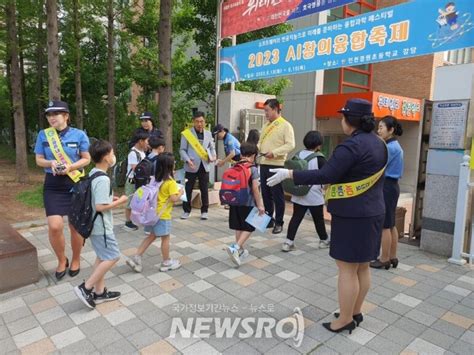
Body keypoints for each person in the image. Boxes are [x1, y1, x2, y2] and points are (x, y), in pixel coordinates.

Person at [267, 98, 387, 334]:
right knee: (362, 266)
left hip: (351, 214)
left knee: (346, 268)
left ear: (348, 120)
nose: (341, 120)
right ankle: (355, 311)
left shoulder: (350, 146)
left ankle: (344, 319)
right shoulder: (379, 143)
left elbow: (326, 174)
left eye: (342, 117)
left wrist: (289, 173)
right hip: (374, 211)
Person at [34, 100, 91, 280]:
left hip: (74, 184)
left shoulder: (79, 134)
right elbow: (38, 160)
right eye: (49, 115)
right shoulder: (44, 135)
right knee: (55, 226)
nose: (52, 118)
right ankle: (61, 260)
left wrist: (71, 167)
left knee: (75, 227)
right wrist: (50, 162)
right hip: (53, 185)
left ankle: (76, 260)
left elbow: (87, 158)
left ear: (66, 116)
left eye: (55, 114)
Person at [74, 140, 128, 309]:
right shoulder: (103, 179)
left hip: (93, 224)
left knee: (102, 256)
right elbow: (99, 206)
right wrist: (121, 202)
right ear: (106, 157)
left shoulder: (94, 173)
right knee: (113, 256)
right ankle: (86, 287)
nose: (113, 157)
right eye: (111, 154)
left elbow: (95, 197)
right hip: (101, 226)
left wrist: (110, 199)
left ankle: (99, 293)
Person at [126, 153, 184, 272]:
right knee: (165, 238)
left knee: (151, 236)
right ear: (170, 166)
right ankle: (167, 262)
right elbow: (173, 198)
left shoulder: (155, 179)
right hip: (163, 215)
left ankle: (137, 257)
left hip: (152, 214)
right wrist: (181, 193)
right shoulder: (171, 183)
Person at [282, 131, 330, 252]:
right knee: (318, 219)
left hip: (298, 192)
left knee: (296, 218)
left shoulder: (298, 154)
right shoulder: (320, 158)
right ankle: (324, 240)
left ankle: (288, 242)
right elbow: (326, 177)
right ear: (318, 145)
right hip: (314, 195)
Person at [370, 116, 404, 270]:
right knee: (391, 224)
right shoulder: (395, 145)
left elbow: (376, 165)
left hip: (386, 187)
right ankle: (392, 256)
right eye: (378, 127)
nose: (378, 130)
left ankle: (384, 259)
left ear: (390, 130)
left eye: (381, 127)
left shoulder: (390, 148)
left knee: (385, 225)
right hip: (392, 186)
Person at [258, 98, 295, 234]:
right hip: (263, 163)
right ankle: (269, 219)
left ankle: (279, 222)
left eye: (267, 110)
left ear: (275, 109)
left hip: (276, 164)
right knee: (266, 193)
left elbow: (290, 144)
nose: (265, 113)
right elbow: (260, 142)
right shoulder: (266, 125)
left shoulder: (285, 125)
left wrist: (274, 153)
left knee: (277, 195)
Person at [225, 142, 265, 267]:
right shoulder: (252, 168)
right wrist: (260, 205)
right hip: (248, 203)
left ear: (241, 153)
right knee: (249, 227)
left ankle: (240, 251)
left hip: (235, 202)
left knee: (239, 226)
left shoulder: (234, 166)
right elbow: (255, 189)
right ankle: (235, 248)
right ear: (253, 155)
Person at [179, 111, 216, 220]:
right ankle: (186, 211)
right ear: (193, 122)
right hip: (191, 165)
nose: (199, 124)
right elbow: (182, 149)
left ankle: (204, 211)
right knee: (188, 189)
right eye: (197, 121)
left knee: (204, 189)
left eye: (202, 121)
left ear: (205, 122)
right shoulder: (187, 134)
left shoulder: (209, 134)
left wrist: (213, 156)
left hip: (204, 165)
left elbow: (212, 148)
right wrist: (187, 160)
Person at [124, 131, 149, 231]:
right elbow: (135, 168)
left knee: (140, 201)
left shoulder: (142, 152)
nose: (148, 143)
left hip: (140, 181)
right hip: (132, 181)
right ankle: (128, 222)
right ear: (140, 141)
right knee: (129, 202)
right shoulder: (133, 153)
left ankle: (138, 219)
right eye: (146, 141)